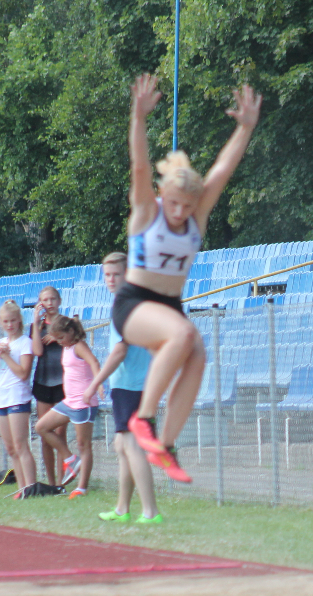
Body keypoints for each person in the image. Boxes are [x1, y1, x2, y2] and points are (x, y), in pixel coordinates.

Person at [116, 73, 261, 482]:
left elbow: (221, 171)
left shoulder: (195, 215)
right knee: (183, 336)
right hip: (134, 303)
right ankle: (144, 419)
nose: (179, 212)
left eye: (186, 206)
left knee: (197, 353)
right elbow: (140, 164)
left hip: (169, 305)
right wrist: (139, 117)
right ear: (163, 195)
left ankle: (165, 444)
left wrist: (245, 126)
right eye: (174, 203)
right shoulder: (148, 211)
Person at [84, 253, 161, 523]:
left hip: (129, 386)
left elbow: (119, 351)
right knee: (122, 446)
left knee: (132, 446)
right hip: (137, 384)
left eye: (117, 274)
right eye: (107, 274)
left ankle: (150, 511)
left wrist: (94, 382)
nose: (111, 280)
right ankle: (122, 508)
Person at [34, 316, 101, 500]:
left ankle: (82, 487)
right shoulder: (67, 346)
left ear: (70, 332)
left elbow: (95, 363)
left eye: (61, 338)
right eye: (57, 339)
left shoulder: (79, 345)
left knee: (83, 444)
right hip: (69, 401)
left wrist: (96, 386)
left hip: (83, 402)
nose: (60, 342)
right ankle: (70, 459)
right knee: (41, 427)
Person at [0, 300, 36, 495]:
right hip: (2, 398)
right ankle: (21, 488)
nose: (10, 325)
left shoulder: (25, 343)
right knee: (11, 448)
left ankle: (31, 486)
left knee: (21, 445)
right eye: (6, 321)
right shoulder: (1, 343)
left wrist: (6, 357)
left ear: (19, 320)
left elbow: (23, 373)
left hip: (17, 397)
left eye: (13, 320)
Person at [30, 286, 66, 486]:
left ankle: (62, 481)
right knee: (45, 434)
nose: (49, 303)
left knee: (59, 434)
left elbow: (74, 344)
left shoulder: (68, 322)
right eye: (45, 300)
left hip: (63, 382)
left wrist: (58, 336)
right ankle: (51, 482)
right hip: (43, 381)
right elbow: (37, 351)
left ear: (59, 301)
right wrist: (36, 325)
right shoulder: (37, 325)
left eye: (53, 299)